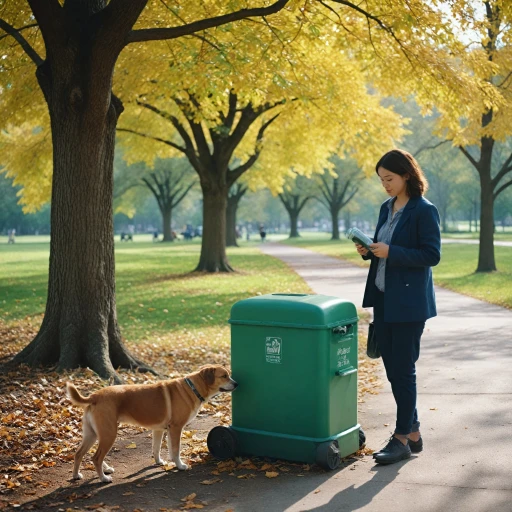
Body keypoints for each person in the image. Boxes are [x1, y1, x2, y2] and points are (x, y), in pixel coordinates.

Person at [354, 149, 441, 465]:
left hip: (409, 304)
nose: (385, 185)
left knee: (403, 370)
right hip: (383, 300)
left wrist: (393, 252)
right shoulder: (385, 208)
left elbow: (431, 255)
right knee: (393, 370)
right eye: (381, 180)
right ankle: (414, 431)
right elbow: (383, 250)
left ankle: (402, 438)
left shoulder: (424, 211)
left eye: (389, 178)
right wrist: (369, 250)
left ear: (406, 174)